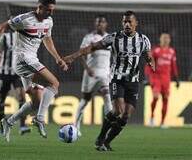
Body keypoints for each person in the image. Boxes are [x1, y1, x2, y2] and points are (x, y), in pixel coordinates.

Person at [64, 11, 155, 151]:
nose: (127, 24)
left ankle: (106, 141)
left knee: (126, 115)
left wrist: (150, 62)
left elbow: (148, 55)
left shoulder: (143, 40)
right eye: (124, 21)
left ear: (136, 23)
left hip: (133, 81)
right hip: (116, 79)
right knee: (117, 110)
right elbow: (92, 47)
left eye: (130, 22)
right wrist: (73, 56)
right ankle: (100, 137)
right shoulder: (113, 38)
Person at [0, 0, 68, 142]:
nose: (51, 13)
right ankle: (39, 118)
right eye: (48, 10)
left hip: (32, 60)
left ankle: (9, 121)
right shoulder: (25, 19)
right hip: (22, 60)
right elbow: (2, 26)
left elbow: (47, 39)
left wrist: (58, 58)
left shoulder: (49, 21)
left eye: (52, 10)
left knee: (36, 101)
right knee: (54, 83)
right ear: (40, 7)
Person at [74, 16, 112, 137]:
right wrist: (87, 69)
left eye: (102, 22)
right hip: (91, 72)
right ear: (95, 24)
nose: (100, 24)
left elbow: (115, 55)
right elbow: (81, 54)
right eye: (98, 22)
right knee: (85, 100)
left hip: (105, 73)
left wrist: (112, 70)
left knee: (107, 95)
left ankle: (108, 128)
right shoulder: (89, 37)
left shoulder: (110, 38)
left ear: (106, 24)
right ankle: (76, 125)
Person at [0, 27, 31, 135]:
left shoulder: (24, 38)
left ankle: (22, 126)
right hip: (4, 73)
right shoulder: (5, 37)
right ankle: (2, 126)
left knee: (22, 97)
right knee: (1, 99)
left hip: (17, 73)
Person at [145, 33, 179, 128]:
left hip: (166, 79)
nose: (165, 39)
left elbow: (173, 66)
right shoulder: (156, 50)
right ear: (160, 39)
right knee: (155, 97)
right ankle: (152, 117)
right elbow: (149, 64)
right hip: (156, 77)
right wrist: (147, 77)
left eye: (167, 38)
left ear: (170, 40)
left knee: (166, 99)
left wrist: (176, 79)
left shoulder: (172, 51)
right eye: (163, 38)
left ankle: (163, 122)